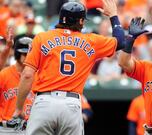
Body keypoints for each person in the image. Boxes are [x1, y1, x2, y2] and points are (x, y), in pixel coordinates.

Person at [14, 0, 128, 135]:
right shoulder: (91, 41)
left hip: (44, 102)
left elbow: (27, 75)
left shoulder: (42, 38)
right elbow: (121, 42)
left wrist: (19, 108)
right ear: (80, 21)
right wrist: (113, 15)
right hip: (71, 104)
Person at [0, 36, 34, 135]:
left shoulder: (38, 76)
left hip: (30, 127)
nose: (27, 56)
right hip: (6, 128)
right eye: (24, 53)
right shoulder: (4, 74)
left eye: (29, 53)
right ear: (17, 53)